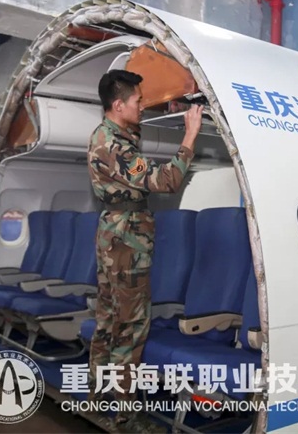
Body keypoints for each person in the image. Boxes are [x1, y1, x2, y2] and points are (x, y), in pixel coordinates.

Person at [87, 69, 202, 431]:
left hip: (115, 239)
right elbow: (167, 180)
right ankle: (126, 416)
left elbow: (135, 149)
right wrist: (190, 135)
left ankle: (98, 397)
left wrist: (173, 104)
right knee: (131, 328)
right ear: (118, 105)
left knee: (108, 320)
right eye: (137, 101)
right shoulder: (114, 145)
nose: (141, 106)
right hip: (127, 243)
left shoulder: (112, 134)